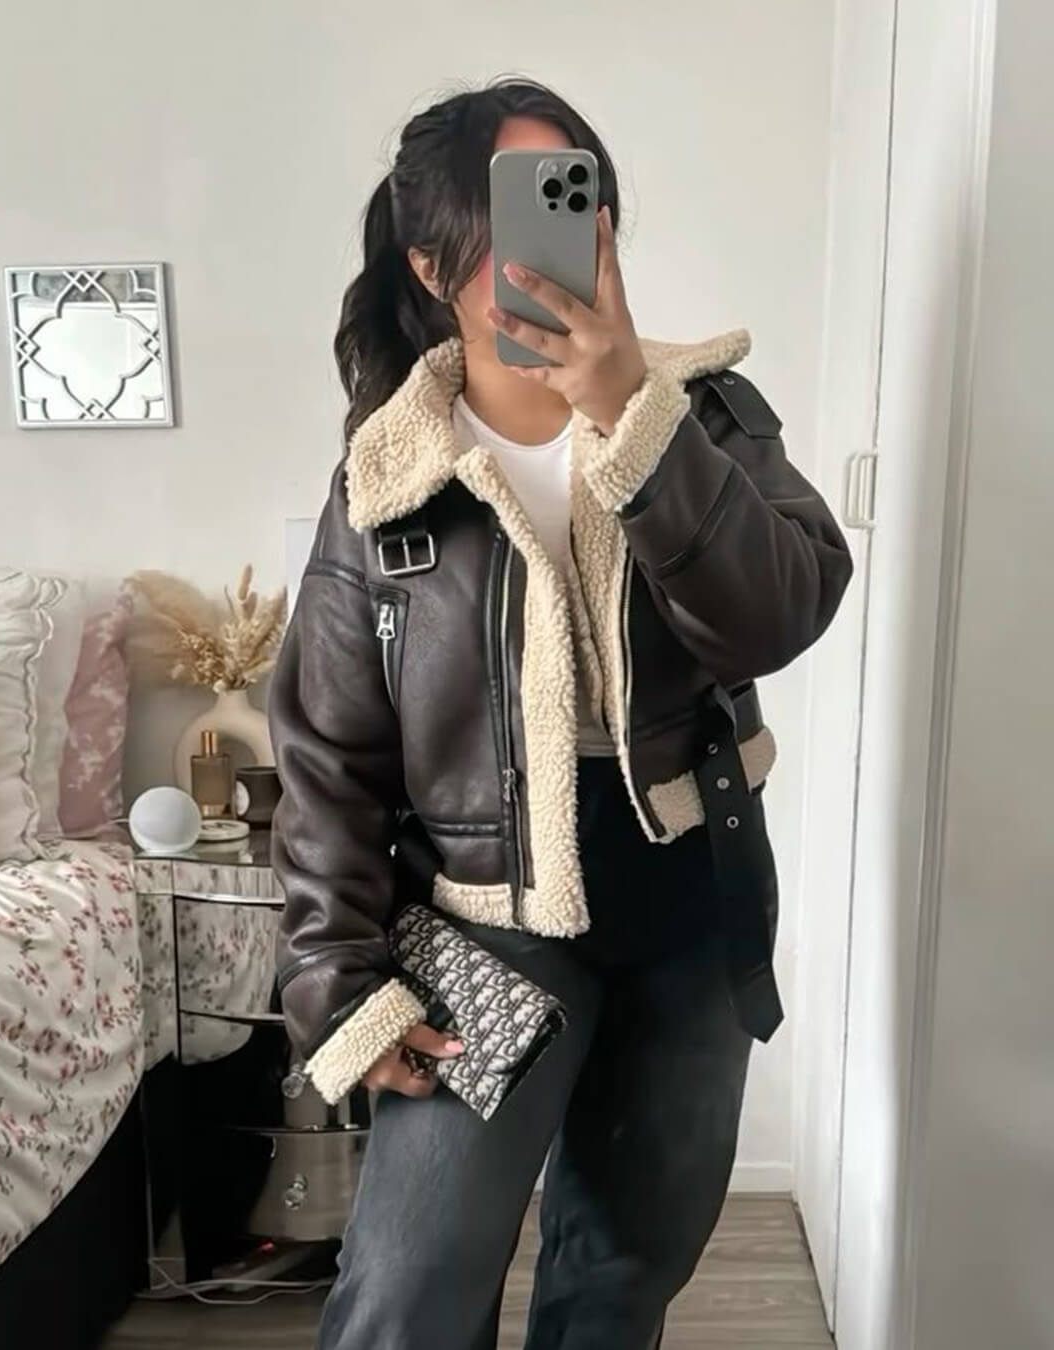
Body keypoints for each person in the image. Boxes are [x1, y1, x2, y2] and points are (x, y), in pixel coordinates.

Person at [268, 77, 852, 1350]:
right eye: (516, 212)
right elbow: (326, 757)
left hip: (689, 896)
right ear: (433, 262)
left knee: (620, 1280)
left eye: (574, 201)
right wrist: (338, 986)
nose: (559, 245)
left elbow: (781, 613)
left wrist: (636, 416)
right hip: (484, 918)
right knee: (408, 1296)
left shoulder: (705, 416)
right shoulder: (388, 477)